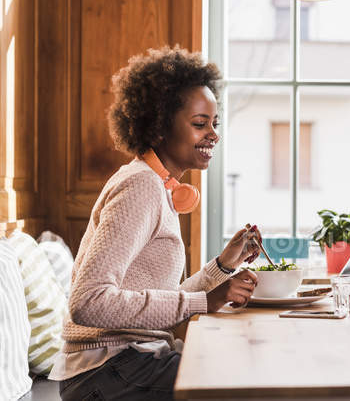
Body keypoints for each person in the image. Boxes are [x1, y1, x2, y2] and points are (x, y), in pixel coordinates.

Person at [49, 46, 261, 400]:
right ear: (160, 126)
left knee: (241, 364)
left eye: (214, 123)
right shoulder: (141, 186)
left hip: (128, 363)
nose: (213, 135)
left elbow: (165, 298)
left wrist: (223, 266)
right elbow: (88, 301)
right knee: (243, 375)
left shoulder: (156, 184)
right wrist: (205, 302)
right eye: (199, 124)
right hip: (106, 372)